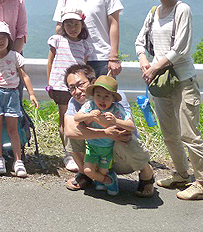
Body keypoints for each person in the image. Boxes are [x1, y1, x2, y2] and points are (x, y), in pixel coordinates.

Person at [135, 0, 203, 200]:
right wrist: (144, 61)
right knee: (169, 133)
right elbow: (139, 42)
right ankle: (181, 174)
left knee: (189, 133)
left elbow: (180, 48)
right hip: (161, 82)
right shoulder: (153, 12)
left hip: (183, 79)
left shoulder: (182, 9)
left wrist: (154, 67)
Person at [63, 63, 155, 198]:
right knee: (72, 132)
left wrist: (108, 124)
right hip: (96, 152)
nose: (77, 91)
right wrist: (105, 133)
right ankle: (87, 175)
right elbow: (70, 131)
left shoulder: (114, 97)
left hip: (123, 158)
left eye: (81, 84)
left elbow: (123, 132)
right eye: (72, 88)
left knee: (124, 139)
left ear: (93, 82)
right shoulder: (74, 102)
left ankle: (147, 174)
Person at [52, 0, 123, 77]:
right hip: (73, 58)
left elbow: (114, 23)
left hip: (100, 58)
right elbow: (59, 26)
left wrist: (113, 57)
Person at [0, 22, 38, 178]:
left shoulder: (15, 56)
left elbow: (24, 75)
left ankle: (18, 161)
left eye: (3, 37)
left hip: (12, 94)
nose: (0, 41)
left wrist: (31, 93)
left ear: (9, 39)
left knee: (13, 128)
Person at [47, 7, 94, 172]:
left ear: (82, 25)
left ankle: (82, 151)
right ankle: (68, 153)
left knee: (81, 118)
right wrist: (49, 83)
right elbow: (50, 62)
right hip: (60, 86)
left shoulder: (85, 44)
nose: (72, 28)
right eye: (68, 24)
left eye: (76, 24)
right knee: (65, 119)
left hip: (79, 87)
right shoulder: (57, 40)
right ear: (62, 25)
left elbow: (85, 67)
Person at [73, 75, 135, 196]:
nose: (102, 100)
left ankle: (102, 179)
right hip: (91, 146)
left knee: (102, 171)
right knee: (88, 170)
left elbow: (131, 126)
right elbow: (77, 118)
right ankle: (109, 180)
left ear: (113, 98)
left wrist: (115, 121)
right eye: (98, 95)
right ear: (93, 96)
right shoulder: (90, 105)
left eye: (106, 96)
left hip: (108, 148)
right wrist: (89, 115)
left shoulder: (117, 108)